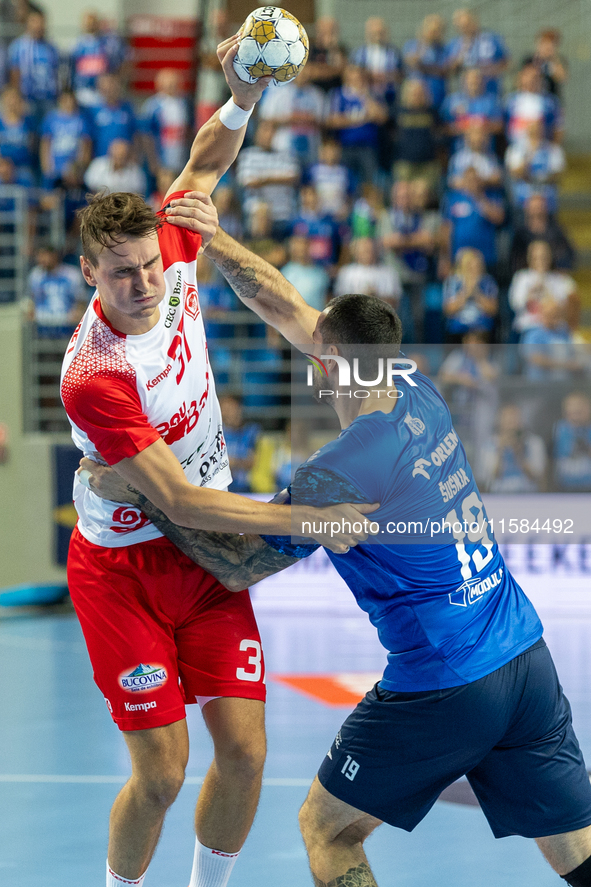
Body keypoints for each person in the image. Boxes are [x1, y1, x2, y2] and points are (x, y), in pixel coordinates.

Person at [83, 261, 591, 887]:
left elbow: (237, 566)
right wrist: (210, 237)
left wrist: (144, 489)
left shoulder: (338, 471)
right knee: (578, 852)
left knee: (328, 828)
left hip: (446, 682)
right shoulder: (419, 391)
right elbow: (291, 308)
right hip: (526, 660)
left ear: (326, 364)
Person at [60, 38, 373, 887]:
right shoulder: (95, 376)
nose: (145, 285)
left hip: (205, 568)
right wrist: (308, 523)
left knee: (244, 752)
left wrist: (239, 94)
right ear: (90, 271)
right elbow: (185, 503)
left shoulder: (170, 250)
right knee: (160, 773)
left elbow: (203, 163)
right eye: (122, 275)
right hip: (125, 568)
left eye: (151, 266)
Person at [235, 118, 300, 240]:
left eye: (272, 131)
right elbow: (249, 182)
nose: (268, 135)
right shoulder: (248, 155)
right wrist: (277, 178)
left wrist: (263, 180)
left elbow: (293, 177)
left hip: (284, 212)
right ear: (257, 133)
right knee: (262, 210)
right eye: (265, 131)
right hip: (256, 213)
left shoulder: (287, 155)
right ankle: (259, 245)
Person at [326, 63, 388, 186]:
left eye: (359, 75)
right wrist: (363, 119)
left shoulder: (372, 94)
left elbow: (381, 117)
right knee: (346, 183)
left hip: (368, 147)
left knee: (371, 183)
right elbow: (333, 121)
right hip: (345, 146)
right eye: (353, 75)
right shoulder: (338, 94)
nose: (356, 78)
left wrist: (364, 96)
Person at [441, 165, 505, 271]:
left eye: (475, 179)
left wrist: (479, 197)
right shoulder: (454, 198)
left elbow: (499, 218)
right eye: (469, 179)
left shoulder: (490, 197)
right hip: (459, 258)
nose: (472, 182)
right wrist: (445, 258)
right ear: (463, 181)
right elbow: (447, 229)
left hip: (485, 258)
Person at [509, 239, 579, 335]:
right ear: (529, 258)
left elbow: (565, 305)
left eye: (544, 257)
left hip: (556, 328)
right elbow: (516, 304)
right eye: (536, 257)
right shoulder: (522, 277)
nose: (540, 261)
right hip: (531, 327)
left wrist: (546, 288)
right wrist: (531, 292)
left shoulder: (558, 279)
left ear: (550, 257)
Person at [7, 10, 59, 123]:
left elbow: (56, 73)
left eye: (41, 22)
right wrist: (18, 99)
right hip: (28, 99)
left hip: (48, 99)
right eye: (34, 21)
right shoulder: (18, 47)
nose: (38, 25)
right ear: (28, 23)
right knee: (31, 134)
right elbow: (14, 75)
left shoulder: (51, 47)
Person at [483, 403, 547, 493]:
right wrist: (500, 450)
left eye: (514, 421)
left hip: (528, 496)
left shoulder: (534, 442)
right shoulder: (490, 444)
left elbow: (538, 476)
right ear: (500, 423)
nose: (511, 426)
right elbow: (491, 476)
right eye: (508, 421)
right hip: (499, 496)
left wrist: (519, 453)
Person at [505, 118, 566, 213]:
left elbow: (558, 174)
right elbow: (515, 173)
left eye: (538, 128)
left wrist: (539, 178)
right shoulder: (516, 149)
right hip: (522, 200)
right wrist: (531, 154)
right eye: (532, 129)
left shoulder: (553, 149)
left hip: (547, 201)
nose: (535, 132)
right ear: (526, 130)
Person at [25, 243, 87, 336]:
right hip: (42, 321)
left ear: (54, 256)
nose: (42, 259)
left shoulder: (71, 274)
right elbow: (31, 299)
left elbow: (81, 300)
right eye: (40, 256)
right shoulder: (35, 275)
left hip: (67, 320)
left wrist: (77, 313)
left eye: (45, 256)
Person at [446, 8, 509, 96]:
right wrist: (460, 55)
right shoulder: (454, 44)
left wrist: (492, 70)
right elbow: (450, 69)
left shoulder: (491, 39)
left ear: (475, 21)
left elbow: (506, 62)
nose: (466, 28)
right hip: (466, 96)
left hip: (491, 92)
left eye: (468, 24)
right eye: (462, 26)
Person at [70, 9, 125, 108]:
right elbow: (72, 68)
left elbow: (117, 65)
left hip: (102, 93)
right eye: (87, 22)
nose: (90, 25)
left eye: (93, 22)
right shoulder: (77, 45)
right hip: (82, 90)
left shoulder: (106, 45)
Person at [140, 67, 190, 176]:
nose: (172, 86)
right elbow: (146, 135)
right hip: (161, 158)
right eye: (169, 83)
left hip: (180, 157)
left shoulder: (184, 103)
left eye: (174, 83)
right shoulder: (152, 105)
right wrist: (152, 160)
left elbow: (188, 131)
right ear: (160, 84)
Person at [442, 247, 498, 341]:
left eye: (477, 266)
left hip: (482, 327)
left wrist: (477, 293)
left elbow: (493, 310)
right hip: (458, 328)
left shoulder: (488, 281)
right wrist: (465, 293)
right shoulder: (453, 281)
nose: (474, 270)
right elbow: (448, 310)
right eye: (470, 267)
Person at [510, 192, 575, 273]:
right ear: (527, 209)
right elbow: (515, 261)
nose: (537, 210)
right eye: (534, 207)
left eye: (539, 207)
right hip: (528, 276)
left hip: (553, 276)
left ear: (545, 208)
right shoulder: (520, 234)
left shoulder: (556, 232)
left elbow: (568, 256)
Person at [40, 89, 92, 189]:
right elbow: (45, 143)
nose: (68, 103)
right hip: (55, 167)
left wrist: (82, 167)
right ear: (60, 101)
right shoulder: (51, 119)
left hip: (74, 169)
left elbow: (86, 145)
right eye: (65, 100)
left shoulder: (81, 120)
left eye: (71, 100)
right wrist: (46, 167)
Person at [505, 63, 563, 146]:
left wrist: (553, 149)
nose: (531, 80)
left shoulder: (550, 102)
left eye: (535, 77)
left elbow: (558, 128)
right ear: (521, 77)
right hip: (516, 148)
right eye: (528, 76)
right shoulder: (510, 100)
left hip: (543, 148)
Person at [333, 236, 401, 305]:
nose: (368, 254)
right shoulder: (346, 272)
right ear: (355, 252)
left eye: (370, 250)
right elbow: (340, 301)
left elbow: (394, 302)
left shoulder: (388, 272)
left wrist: (375, 297)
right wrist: (363, 297)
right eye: (365, 251)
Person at [402, 14, 448, 109]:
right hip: (416, 98)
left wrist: (422, 66)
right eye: (433, 30)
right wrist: (424, 43)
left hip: (437, 95)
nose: (435, 33)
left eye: (438, 30)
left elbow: (444, 70)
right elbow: (412, 62)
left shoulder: (442, 49)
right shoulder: (412, 45)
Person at [88, 73, 138, 158]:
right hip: (101, 159)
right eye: (106, 87)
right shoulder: (93, 111)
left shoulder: (127, 108)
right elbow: (88, 138)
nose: (110, 89)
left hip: (124, 160)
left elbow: (135, 133)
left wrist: (135, 155)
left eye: (112, 85)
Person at [281, 234, 331, 311]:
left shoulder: (321, 273)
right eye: (297, 245)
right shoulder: (285, 273)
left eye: (303, 244)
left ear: (309, 247)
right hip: (291, 319)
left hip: (317, 318)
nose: (301, 248)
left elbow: (328, 300)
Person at [554, 392, 591, 491]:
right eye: (571, 408)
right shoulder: (558, 429)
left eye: (579, 409)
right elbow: (550, 460)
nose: (575, 413)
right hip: (564, 488)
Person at [523, 28, 568, 99]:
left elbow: (562, 77)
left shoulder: (558, 61)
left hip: (551, 99)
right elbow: (525, 79)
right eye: (545, 43)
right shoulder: (529, 60)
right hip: (533, 99)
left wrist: (553, 59)